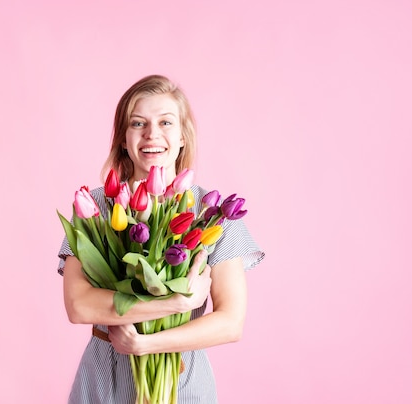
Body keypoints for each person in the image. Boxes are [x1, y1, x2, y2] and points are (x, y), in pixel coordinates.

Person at [57, 74, 264, 403]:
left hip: (181, 379)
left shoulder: (212, 212)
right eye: (138, 123)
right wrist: (177, 303)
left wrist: (144, 345)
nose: (152, 134)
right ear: (123, 140)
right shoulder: (96, 207)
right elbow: (79, 306)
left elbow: (230, 323)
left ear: (183, 136)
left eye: (166, 122)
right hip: (105, 376)